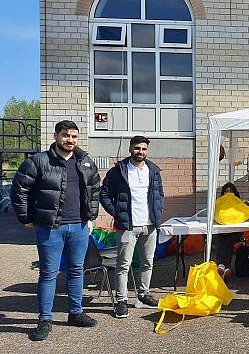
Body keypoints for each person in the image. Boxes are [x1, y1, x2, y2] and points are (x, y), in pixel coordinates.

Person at [10, 120, 100, 341]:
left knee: (77, 270)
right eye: (65, 135)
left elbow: (95, 189)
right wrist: (26, 218)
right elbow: (19, 190)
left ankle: (76, 313)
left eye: (74, 136)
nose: (70, 140)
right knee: (49, 274)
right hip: (50, 228)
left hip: (79, 227)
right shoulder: (38, 161)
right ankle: (44, 319)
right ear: (56, 136)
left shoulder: (85, 162)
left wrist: (91, 217)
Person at [99, 136, 165, 319]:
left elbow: (159, 194)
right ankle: (122, 302)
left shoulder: (153, 171)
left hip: (149, 225)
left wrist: (157, 213)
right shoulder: (118, 171)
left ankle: (143, 296)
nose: (140, 152)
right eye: (137, 148)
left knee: (147, 263)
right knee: (123, 265)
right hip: (127, 226)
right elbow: (104, 194)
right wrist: (117, 213)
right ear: (130, 149)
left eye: (144, 149)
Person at [213, 183, 243, 280]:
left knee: (229, 240)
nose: (228, 193)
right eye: (226, 191)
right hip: (221, 230)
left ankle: (221, 266)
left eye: (231, 191)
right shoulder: (218, 202)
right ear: (223, 192)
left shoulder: (238, 202)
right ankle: (226, 269)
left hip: (235, 232)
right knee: (218, 238)